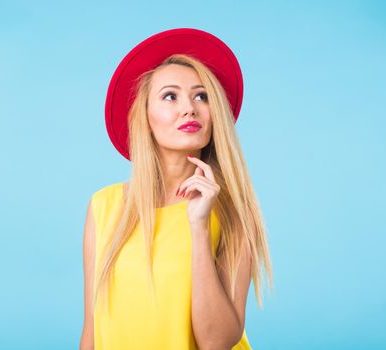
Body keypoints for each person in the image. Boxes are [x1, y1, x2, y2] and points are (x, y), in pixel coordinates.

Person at [80, 28, 273, 350]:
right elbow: (92, 329)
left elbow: (217, 342)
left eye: (202, 96)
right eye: (171, 96)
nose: (190, 108)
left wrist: (199, 226)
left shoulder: (233, 213)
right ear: (144, 115)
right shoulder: (104, 206)